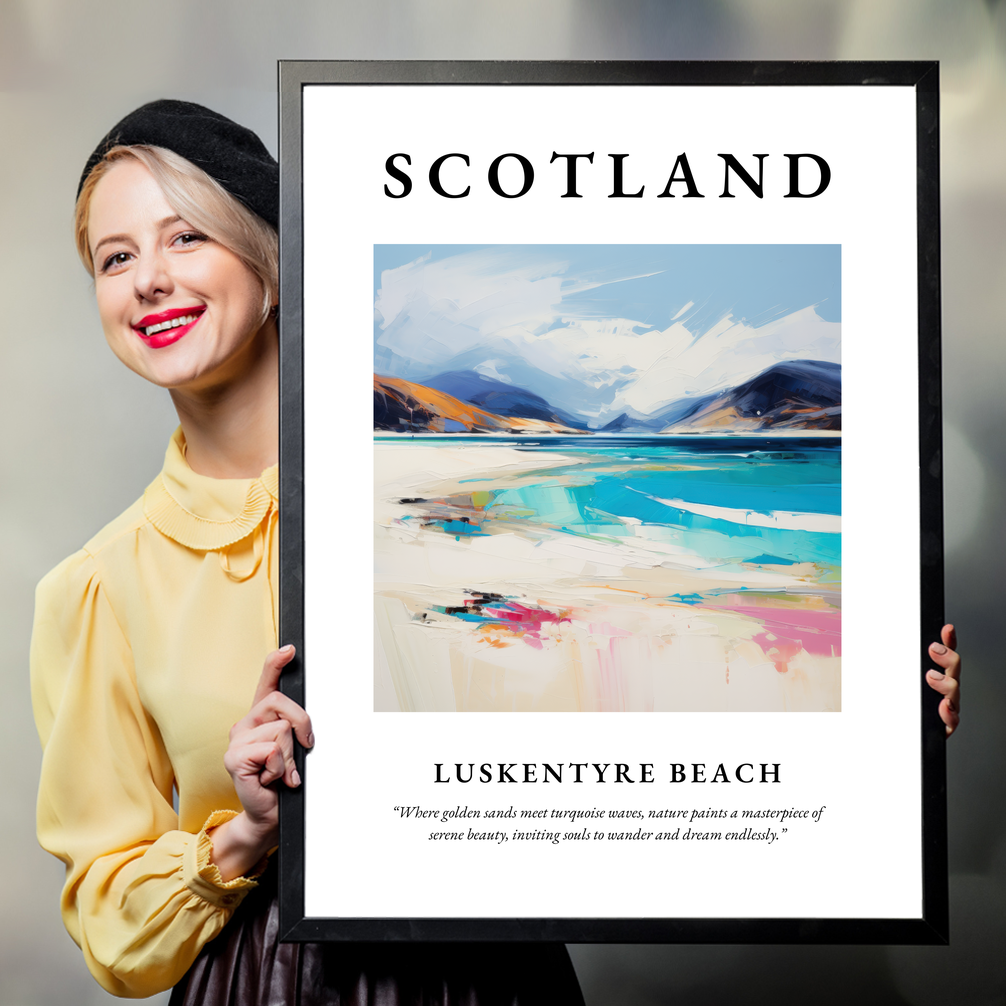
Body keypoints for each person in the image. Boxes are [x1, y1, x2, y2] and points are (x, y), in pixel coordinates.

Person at [30, 100, 585, 1004]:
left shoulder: (456, 503)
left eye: (186, 239)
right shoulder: (98, 587)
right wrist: (245, 832)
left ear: (273, 264)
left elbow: (609, 705)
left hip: (493, 973)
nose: (148, 281)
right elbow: (110, 924)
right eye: (116, 257)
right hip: (262, 982)